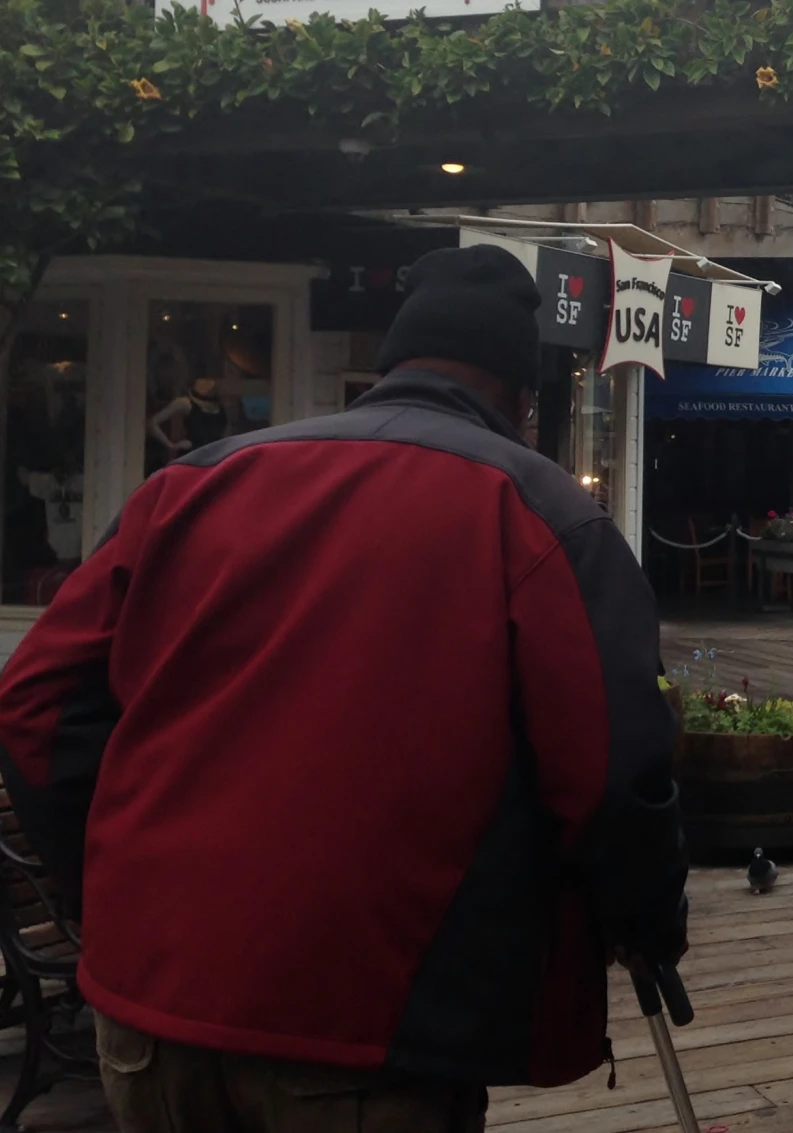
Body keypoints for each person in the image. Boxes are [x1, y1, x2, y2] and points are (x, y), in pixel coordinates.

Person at [0, 245, 688, 1133]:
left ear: (389, 367)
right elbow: (612, 768)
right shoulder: (541, 513)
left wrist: (108, 891)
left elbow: (34, 705)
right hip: (365, 1025)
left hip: (146, 1005)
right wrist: (646, 922)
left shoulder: (192, 484)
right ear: (519, 395)